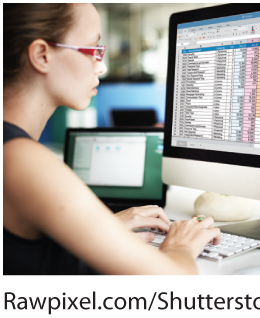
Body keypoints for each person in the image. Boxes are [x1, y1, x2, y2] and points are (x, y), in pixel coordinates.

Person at [3, 3, 221, 275]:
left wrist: (99, 228)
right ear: (42, 55)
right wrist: (180, 246)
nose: (102, 66)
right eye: (93, 50)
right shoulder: (24, 162)